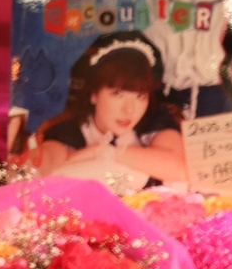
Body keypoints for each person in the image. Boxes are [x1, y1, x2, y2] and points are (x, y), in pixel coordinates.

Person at [35, 32, 186, 195]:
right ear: (94, 93)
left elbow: (180, 168)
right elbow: (44, 171)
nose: (129, 110)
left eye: (140, 96)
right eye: (117, 94)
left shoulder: (153, 120)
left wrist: (107, 152)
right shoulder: (68, 132)